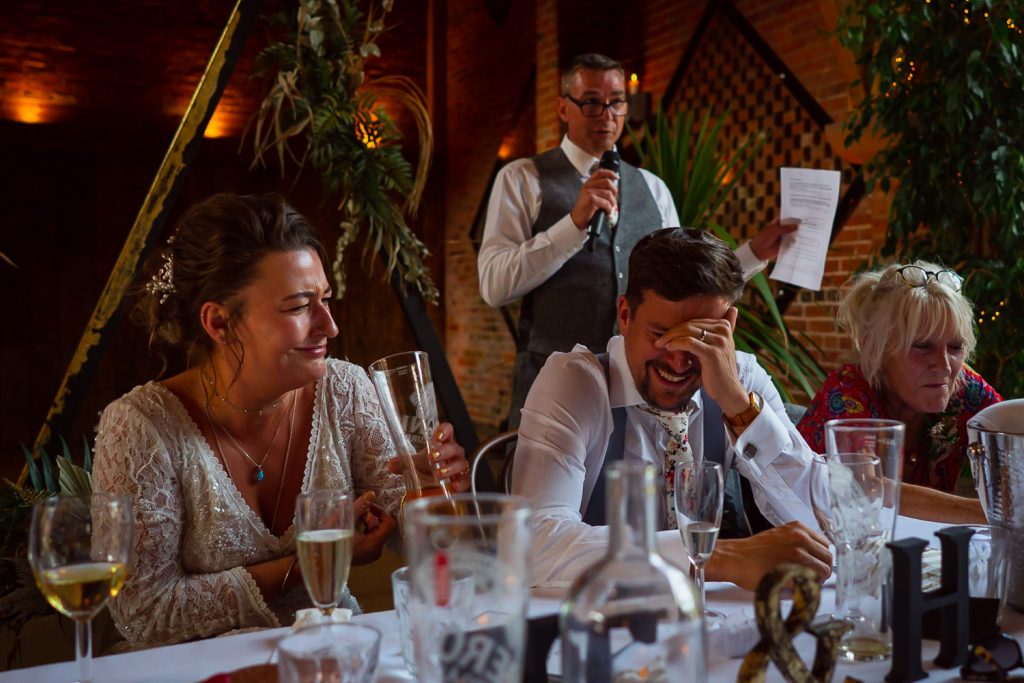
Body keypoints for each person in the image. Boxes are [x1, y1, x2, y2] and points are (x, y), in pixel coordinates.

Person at [91, 193, 469, 649]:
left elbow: (418, 537)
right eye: (297, 307)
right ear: (219, 322)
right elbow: (145, 613)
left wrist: (436, 491)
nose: (329, 325)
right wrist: (310, 562)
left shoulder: (344, 390)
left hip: (332, 653)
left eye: (326, 299)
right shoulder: (141, 428)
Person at [477, 53, 797, 429]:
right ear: (564, 107)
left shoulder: (653, 188)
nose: (606, 114)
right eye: (592, 101)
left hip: (641, 398)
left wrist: (755, 252)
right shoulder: (522, 178)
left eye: (616, 102)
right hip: (554, 394)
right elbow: (494, 286)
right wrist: (574, 225)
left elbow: (687, 283)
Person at [512, 227, 831, 590]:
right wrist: (717, 558)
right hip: (599, 620)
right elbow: (535, 545)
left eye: (701, 337)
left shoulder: (742, 378)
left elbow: (826, 518)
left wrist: (738, 405)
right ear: (625, 314)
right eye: (660, 335)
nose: (679, 361)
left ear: (728, 326)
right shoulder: (574, 383)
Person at [797, 261, 1002, 523]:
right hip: (822, 551)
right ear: (877, 349)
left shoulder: (964, 388)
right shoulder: (847, 393)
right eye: (922, 346)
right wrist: (993, 514)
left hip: (922, 553)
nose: (944, 365)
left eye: (955, 346)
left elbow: (1014, 432)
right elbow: (867, 488)